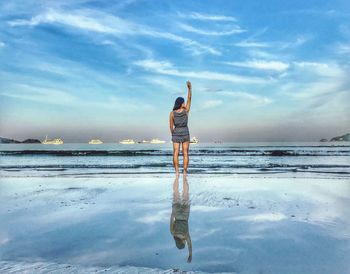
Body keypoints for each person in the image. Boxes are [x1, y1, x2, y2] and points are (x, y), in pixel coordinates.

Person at [169, 81, 192, 174]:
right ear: (181, 103)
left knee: (175, 153)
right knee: (185, 153)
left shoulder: (172, 113)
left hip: (176, 133)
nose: (184, 103)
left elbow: (171, 126)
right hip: (185, 132)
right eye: (183, 102)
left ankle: (177, 172)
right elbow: (189, 99)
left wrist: (173, 134)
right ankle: (185, 172)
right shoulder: (186, 111)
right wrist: (190, 89)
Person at [170, 174, 192, 263]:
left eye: (184, 244)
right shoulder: (173, 233)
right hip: (177, 214)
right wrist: (173, 211)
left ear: (182, 242)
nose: (185, 243)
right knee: (175, 192)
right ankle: (177, 176)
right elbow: (171, 219)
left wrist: (190, 255)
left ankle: (185, 177)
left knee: (185, 193)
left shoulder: (185, 236)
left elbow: (190, 245)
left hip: (185, 215)